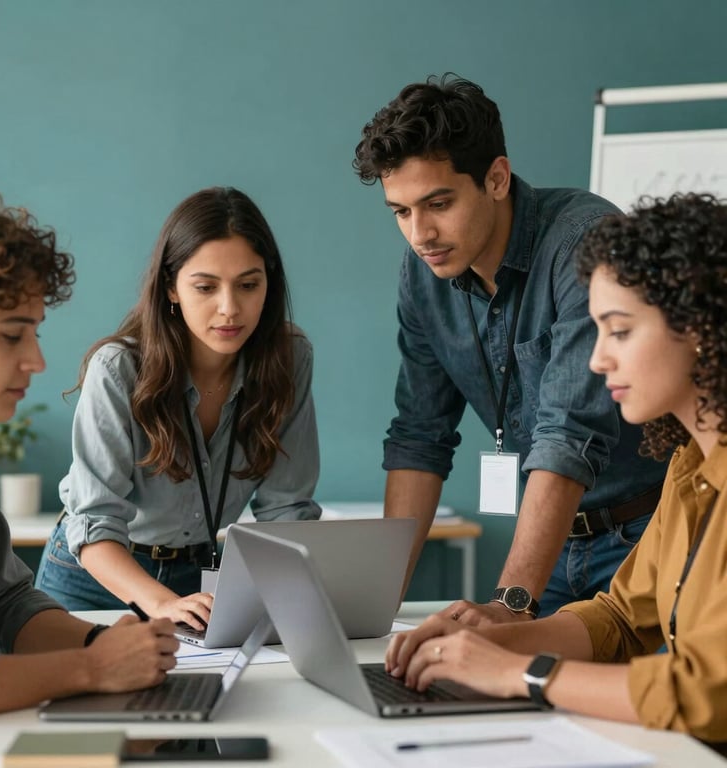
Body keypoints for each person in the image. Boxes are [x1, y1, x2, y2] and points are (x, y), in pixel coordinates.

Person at [385, 193, 727, 745]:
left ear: (703, 328)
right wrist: (487, 643)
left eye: (619, 331)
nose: (597, 359)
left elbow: (707, 694)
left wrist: (519, 674)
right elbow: (621, 617)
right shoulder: (690, 464)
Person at [353, 74, 668, 620]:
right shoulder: (424, 273)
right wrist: (372, 608)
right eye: (401, 212)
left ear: (496, 178)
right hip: (553, 545)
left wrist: (510, 603)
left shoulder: (585, 242)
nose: (420, 234)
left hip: (647, 539)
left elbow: (568, 436)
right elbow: (419, 438)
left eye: (438, 203)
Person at [36, 186, 321, 630]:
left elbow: (286, 509)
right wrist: (161, 603)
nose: (230, 308)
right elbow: (94, 523)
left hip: (198, 576)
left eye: (248, 285)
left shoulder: (289, 358)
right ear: (171, 287)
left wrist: (301, 601)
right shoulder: (118, 368)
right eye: (205, 287)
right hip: (98, 576)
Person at [0, 191, 178, 718]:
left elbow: (4, 603)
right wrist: (92, 669)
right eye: (12, 336)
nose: (36, 360)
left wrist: (104, 646)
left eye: (34, 332)